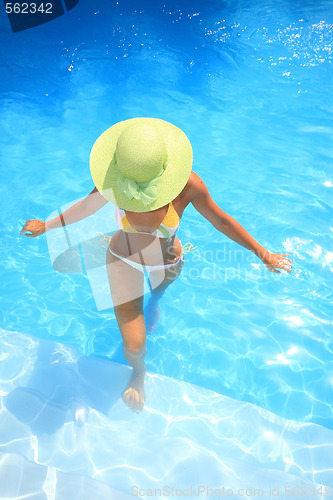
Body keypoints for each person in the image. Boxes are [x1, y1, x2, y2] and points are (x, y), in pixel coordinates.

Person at [20, 118, 292, 413]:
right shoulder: (115, 181)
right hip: (124, 263)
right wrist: (47, 226)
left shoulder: (188, 185)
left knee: (158, 294)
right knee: (135, 346)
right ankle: (139, 372)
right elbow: (86, 207)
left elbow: (221, 220)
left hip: (168, 260)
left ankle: (156, 301)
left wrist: (262, 253)